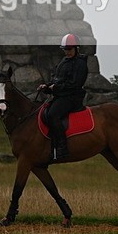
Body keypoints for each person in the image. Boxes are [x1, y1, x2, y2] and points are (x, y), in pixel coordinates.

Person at [38, 33, 88, 161]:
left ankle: (62, 149)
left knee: (52, 115)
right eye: (65, 49)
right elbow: (57, 80)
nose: (67, 52)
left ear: (76, 49)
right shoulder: (64, 62)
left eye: (69, 49)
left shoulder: (80, 64)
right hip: (62, 96)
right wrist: (47, 86)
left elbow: (74, 84)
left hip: (72, 98)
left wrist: (55, 88)